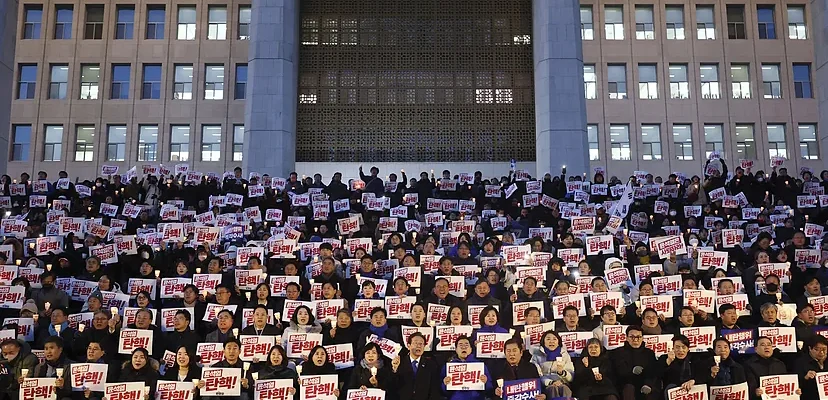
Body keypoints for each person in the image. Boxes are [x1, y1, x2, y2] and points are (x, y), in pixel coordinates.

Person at [611, 326, 658, 400]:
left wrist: (648, 384)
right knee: (629, 389)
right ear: (626, 338)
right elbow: (618, 371)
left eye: (638, 337)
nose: (635, 339)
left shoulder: (649, 353)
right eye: (632, 337)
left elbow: (653, 372)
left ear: (642, 338)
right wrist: (631, 371)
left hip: (644, 384)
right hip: (626, 384)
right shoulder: (618, 352)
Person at [441, 336, 493, 400]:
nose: (463, 347)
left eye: (466, 345)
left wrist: (486, 382)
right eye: (460, 345)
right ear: (456, 349)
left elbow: (489, 388)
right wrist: (445, 384)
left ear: (471, 349)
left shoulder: (480, 366)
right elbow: (443, 392)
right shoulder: (448, 367)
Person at [529, 330, 573, 398]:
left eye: (554, 339)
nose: (551, 341)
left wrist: (562, 373)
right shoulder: (536, 356)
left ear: (558, 342)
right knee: (553, 389)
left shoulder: (565, 355)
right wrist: (551, 382)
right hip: (545, 385)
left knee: (564, 388)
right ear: (543, 342)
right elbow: (536, 376)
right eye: (548, 339)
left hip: (563, 383)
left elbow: (571, 376)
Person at [396, 332, 441, 400]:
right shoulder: (399, 362)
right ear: (408, 346)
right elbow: (392, 386)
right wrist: (394, 369)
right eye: (416, 343)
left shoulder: (431, 365)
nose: (419, 346)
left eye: (421, 344)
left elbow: (434, 389)